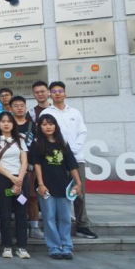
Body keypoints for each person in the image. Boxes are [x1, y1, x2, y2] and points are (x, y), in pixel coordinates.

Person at [42, 81, 96, 239]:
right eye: (54, 91)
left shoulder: (75, 113)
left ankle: (82, 225)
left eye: (60, 91)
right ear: (50, 94)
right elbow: (44, 135)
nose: (57, 93)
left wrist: (70, 151)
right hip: (54, 160)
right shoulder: (46, 113)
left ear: (65, 93)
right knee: (57, 192)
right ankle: (58, 225)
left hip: (76, 158)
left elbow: (82, 133)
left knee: (79, 191)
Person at [31, 114, 83, 260]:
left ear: (55, 126)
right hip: (46, 187)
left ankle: (66, 247)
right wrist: (40, 184)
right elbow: (37, 165)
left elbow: (72, 165)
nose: (48, 127)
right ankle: (54, 247)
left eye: (50, 124)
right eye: (44, 124)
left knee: (65, 217)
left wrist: (78, 183)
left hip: (63, 186)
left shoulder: (63, 143)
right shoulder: (36, 143)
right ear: (39, 127)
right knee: (48, 217)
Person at [0, 112, 30, 259]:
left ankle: (22, 246)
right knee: (5, 212)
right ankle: (6, 246)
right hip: (4, 179)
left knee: (21, 212)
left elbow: (24, 161)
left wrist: (19, 179)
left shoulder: (21, 139)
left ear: (13, 124)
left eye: (9, 121)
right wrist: (12, 178)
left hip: (21, 179)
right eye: (3, 121)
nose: (6, 124)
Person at [11, 95, 44, 240]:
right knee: (13, 194)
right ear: (11, 108)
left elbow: (39, 146)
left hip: (30, 166)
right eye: (16, 106)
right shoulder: (7, 124)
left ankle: (34, 227)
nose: (19, 108)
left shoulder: (34, 126)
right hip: (11, 167)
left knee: (31, 196)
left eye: (22, 106)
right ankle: (19, 225)